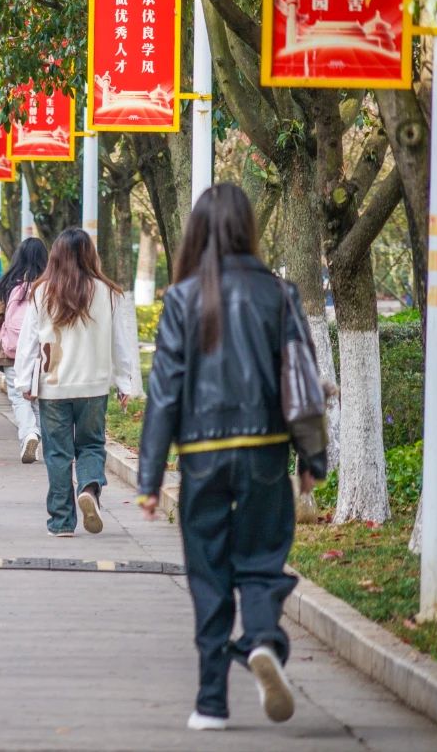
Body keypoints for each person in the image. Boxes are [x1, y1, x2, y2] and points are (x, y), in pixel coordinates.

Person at [137, 183, 328, 731]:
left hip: (201, 457)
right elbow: (302, 380)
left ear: (196, 231)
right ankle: (264, 640)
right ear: (249, 228)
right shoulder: (280, 295)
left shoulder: (180, 299)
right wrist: (313, 457)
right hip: (266, 452)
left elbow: (165, 394)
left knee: (209, 574)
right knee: (263, 560)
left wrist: (150, 478)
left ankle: (211, 703)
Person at [15, 228, 142, 538]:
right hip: (94, 387)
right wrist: (125, 383)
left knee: (57, 453)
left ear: (55, 256)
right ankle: (88, 487)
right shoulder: (109, 293)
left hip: (53, 385)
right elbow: (121, 344)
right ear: (90, 255)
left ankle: (61, 522)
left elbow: (28, 343)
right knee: (91, 445)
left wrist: (23, 383)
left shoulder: (42, 292)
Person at [0, 237, 48, 464]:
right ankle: (41, 439)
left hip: (11, 351)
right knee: (40, 398)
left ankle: (29, 434)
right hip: (44, 353)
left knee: (19, 397)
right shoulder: (50, 285)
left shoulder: (7, 284)